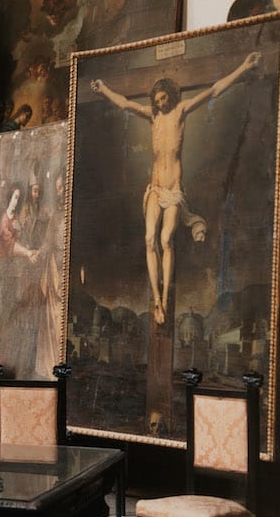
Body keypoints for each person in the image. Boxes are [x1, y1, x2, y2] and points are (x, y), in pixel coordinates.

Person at [90, 50, 260, 325]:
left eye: (164, 98)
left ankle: (166, 298)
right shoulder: (152, 117)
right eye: (157, 101)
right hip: (155, 189)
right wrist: (104, 89)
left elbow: (214, 90)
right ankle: (156, 300)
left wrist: (243, 66)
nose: (161, 103)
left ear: (171, 96)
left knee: (166, 240)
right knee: (149, 239)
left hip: (173, 191)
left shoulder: (181, 111)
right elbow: (124, 104)